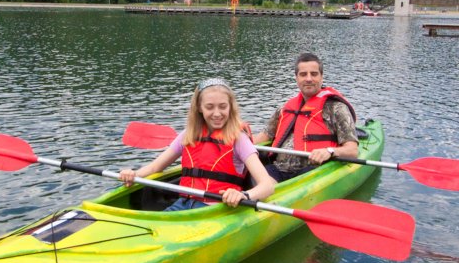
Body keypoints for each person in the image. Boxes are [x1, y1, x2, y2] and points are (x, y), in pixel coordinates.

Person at [119, 77, 276, 210]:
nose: (216, 113)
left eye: (223, 107)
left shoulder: (239, 139)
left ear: (231, 107)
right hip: (182, 205)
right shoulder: (188, 135)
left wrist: (243, 195)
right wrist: (134, 174)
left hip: (218, 209)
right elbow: (155, 167)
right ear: (199, 108)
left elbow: (267, 185)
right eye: (209, 107)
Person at [254, 52, 358, 183]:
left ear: (321, 77)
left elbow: (352, 150)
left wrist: (330, 151)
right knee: (262, 185)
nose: (308, 79)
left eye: (314, 74)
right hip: (278, 169)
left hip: (313, 170)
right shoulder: (285, 108)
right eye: (303, 74)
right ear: (296, 78)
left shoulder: (336, 108)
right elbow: (263, 137)